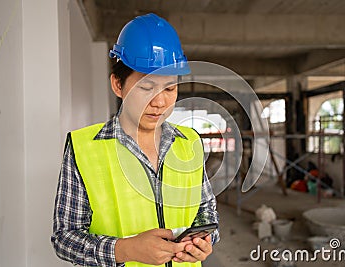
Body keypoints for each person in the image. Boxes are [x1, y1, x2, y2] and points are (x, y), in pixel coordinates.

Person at [51, 13, 219, 267]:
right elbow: (64, 239)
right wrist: (125, 250)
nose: (160, 102)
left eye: (170, 88)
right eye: (146, 87)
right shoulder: (84, 148)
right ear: (118, 85)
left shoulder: (190, 143)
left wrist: (204, 242)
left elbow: (207, 213)